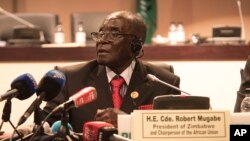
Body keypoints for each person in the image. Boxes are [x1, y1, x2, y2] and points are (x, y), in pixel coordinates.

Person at [42, 11, 181, 132]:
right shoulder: (71, 78)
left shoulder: (164, 83)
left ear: (136, 45)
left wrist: (127, 123)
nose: (102, 40)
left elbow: (174, 130)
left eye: (114, 34)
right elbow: (44, 126)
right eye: (101, 33)